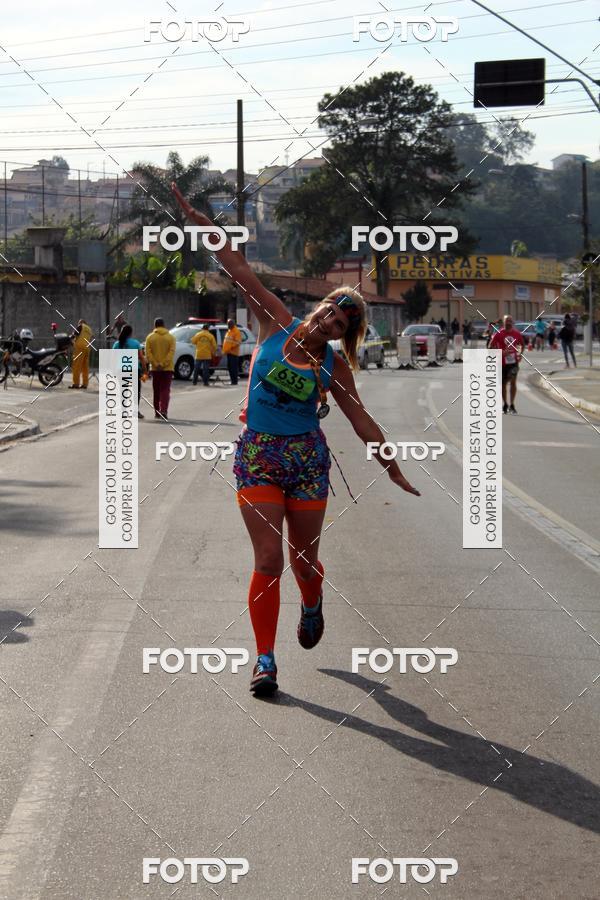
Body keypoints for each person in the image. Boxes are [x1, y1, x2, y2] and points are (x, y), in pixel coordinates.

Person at [172, 182, 420, 696]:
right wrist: (203, 226)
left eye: (341, 322)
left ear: (341, 334)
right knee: (268, 559)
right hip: (258, 455)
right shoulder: (274, 324)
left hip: (307, 462)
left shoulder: (333, 366)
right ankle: (264, 659)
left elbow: (362, 421)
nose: (330, 321)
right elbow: (239, 269)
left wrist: (391, 465)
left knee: (303, 561)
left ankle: (312, 603)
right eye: (331, 310)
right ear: (321, 307)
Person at [489, 314, 524, 414]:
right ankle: (505, 404)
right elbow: (490, 347)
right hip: (502, 363)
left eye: (510, 321)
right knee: (503, 384)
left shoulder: (517, 334)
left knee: (513, 383)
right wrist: (501, 353)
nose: (508, 323)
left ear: (512, 322)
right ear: (503, 323)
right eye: (506, 321)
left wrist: (520, 354)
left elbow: (522, 344)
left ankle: (512, 404)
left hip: (513, 363)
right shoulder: (498, 334)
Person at [113, 323, 147, 419]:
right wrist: (145, 370)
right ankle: (136, 412)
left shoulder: (117, 344)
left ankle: (124, 412)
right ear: (131, 333)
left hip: (121, 370)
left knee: (124, 391)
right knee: (136, 391)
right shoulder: (135, 343)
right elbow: (141, 358)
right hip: (134, 370)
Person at [145, 318, 176, 420]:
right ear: (164, 325)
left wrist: (155, 363)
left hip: (155, 369)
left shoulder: (150, 337)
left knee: (156, 390)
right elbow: (171, 353)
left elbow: (148, 353)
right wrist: (164, 363)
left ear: (155, 326)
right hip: (167, 368)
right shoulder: (171, 337)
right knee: (165, 390)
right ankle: (164, 410)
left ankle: (157, 412)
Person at [70, 318, 93, 389]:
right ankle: (85, 384)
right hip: (87, 348)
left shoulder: (80, 326)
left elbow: (74, 335)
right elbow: (92, 338)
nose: (78, 324)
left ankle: (76, 384)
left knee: (76, 366)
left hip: (79, 347)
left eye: (78, 323)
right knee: (85, 367)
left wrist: (70, 339)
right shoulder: (89, 329)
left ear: (81, 322)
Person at [223, 318, 242, 385]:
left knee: (233, 368)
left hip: (233, 353)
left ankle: (234, 381)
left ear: (232, 324)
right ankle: (232, 381)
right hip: (228, 353)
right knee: (230, 368)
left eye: (229, 324)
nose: (227, 325)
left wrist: (230, 347)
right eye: (227, 324)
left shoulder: (236, 331)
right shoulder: (229, 331)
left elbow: (238, 342)